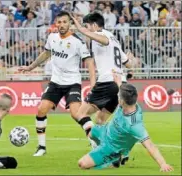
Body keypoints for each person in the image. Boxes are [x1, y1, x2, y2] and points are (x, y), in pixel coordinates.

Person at [18, 11, 96, 157]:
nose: (61, 25)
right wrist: (30, 67)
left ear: (70, 23)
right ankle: (41, 147)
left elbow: (90, 62)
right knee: (41, 109)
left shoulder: (77, 42)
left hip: (72, 83)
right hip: (55, 82)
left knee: (76, 113)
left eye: (64, 22)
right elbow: (46, 54)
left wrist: (93, 84)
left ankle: (94, 141)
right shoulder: (52, 37)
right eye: (59, 22)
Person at [77, 73, 174, 173]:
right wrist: (118, 81)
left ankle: (114, 156)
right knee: (90, 133)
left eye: (119, 96)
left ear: (122, 101)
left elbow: (150, 145)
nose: (118, 97)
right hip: (106, 130)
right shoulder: (129, 100)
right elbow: (121, 89)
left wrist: (163, 164)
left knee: (82, 164)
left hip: (112, 146)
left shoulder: (134, 125)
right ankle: (106, 151)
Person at [70, 13, 132, 145]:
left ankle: (102, 146)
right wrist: (130, 68)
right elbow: (128, 63)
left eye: (87, 26)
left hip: (108, 82)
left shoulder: (102, 35)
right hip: (120, 83)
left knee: (80, 113)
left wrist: (81, 30)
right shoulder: (114, 39)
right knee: (100, 120)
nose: (86, 30)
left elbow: (103, 40)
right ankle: (117, 149)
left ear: (94, 25)